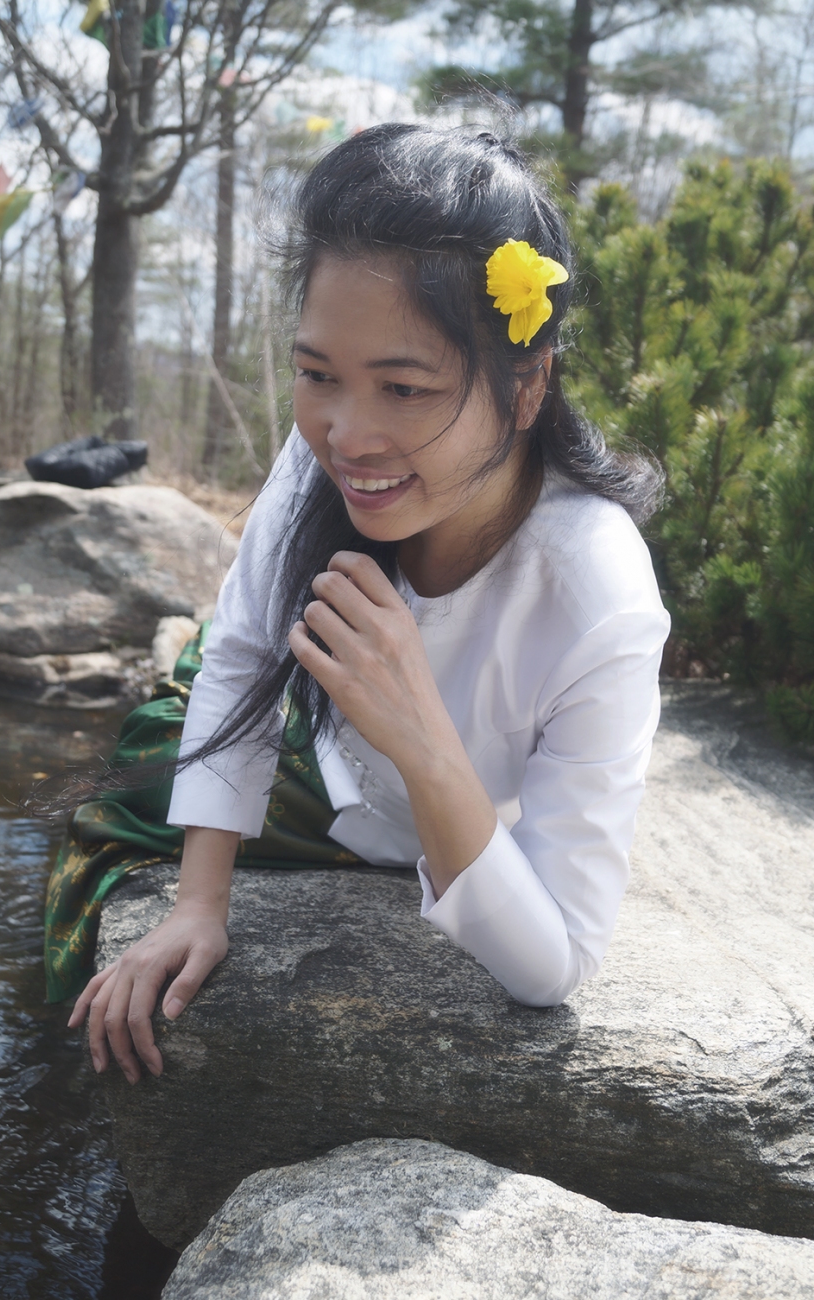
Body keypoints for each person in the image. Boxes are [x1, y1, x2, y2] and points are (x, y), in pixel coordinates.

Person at [67, 122, 670, 1084]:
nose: (346, 434)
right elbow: (240, 656)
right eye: (318, 377)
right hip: (318, 758)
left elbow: (553, 967)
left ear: (525, 387)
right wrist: (197, 905)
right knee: (119, 796)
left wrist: (419, 733)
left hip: (453, 829)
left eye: (403, 386)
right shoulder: (315, 467)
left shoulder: (598, 599)